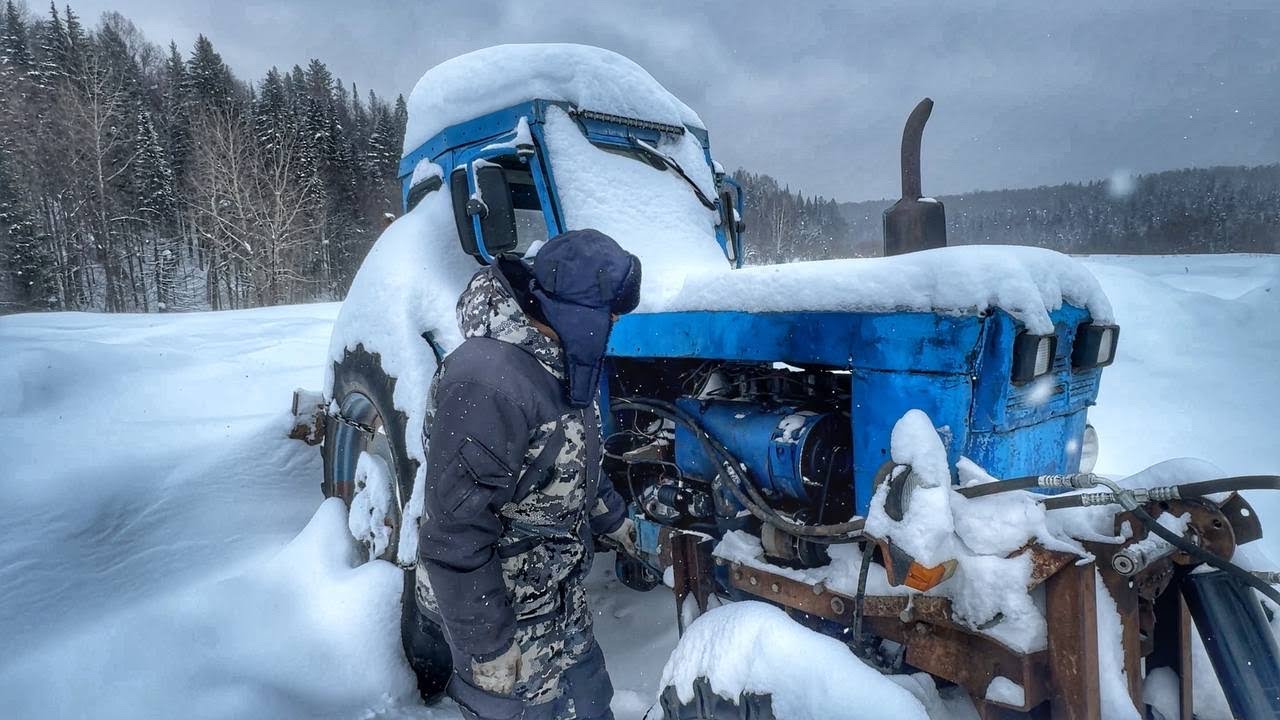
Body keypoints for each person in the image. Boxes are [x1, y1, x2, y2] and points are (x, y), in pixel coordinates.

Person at [416, 228, 643, 720]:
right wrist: (488, 646)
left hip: (555, 595)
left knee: (591, 703)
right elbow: (453, 535)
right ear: (575, 312)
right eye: (610, 310)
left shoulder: (556, 363)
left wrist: (616, 522)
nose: (618, 319)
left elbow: (578, 463)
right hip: (498, 610)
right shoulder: (488, 385)